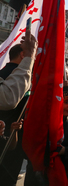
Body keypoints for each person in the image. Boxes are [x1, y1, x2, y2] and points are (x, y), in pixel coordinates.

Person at [0, 44, 30, 186]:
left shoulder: (2, 72)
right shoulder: (23, 79)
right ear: (23, 55)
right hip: (13, 139)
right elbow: (9, 101)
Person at [0, 31, 37, 110]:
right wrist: (30, 55)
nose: (34, 60)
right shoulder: (10, 74)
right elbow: (8, 98)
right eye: (34, 57)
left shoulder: (2, 72)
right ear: (23, 54)